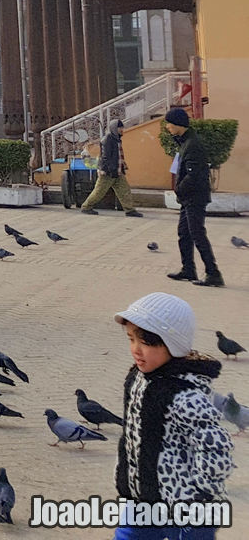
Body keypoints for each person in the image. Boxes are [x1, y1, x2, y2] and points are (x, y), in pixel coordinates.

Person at [111, 292, 233, 540]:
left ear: (172, 344)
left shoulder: (185, 394)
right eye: (131, 339)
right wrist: (125, 472)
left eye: (145, 342)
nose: (135, 349)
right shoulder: (138, 378)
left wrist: (199, 493)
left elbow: (217, 447)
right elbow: (132, 434)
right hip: (142, 500)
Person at [163, 108, 222, 288]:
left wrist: (179, 189)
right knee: (184, 233)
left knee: (197, 234)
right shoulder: (185, 141)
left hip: (194, 197)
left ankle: (213, 273)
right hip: (188, 197)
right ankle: (188, 268)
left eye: (169, 124)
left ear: (178, 124)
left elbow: (193, 173)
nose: (167, 127)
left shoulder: (193, 144)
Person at [82, 118, 142, 217]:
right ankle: (86, 207)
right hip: (108, 172)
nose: (122, 130)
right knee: (99, 191)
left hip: (117, 171)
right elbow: (106, 157)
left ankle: (130, 210)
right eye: (120, 128)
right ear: (114, 128)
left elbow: (118, 156)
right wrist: (110, 169)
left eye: (122, 128)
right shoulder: (107, 140)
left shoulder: (117, 139)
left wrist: (121, 168)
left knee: (125, 190)